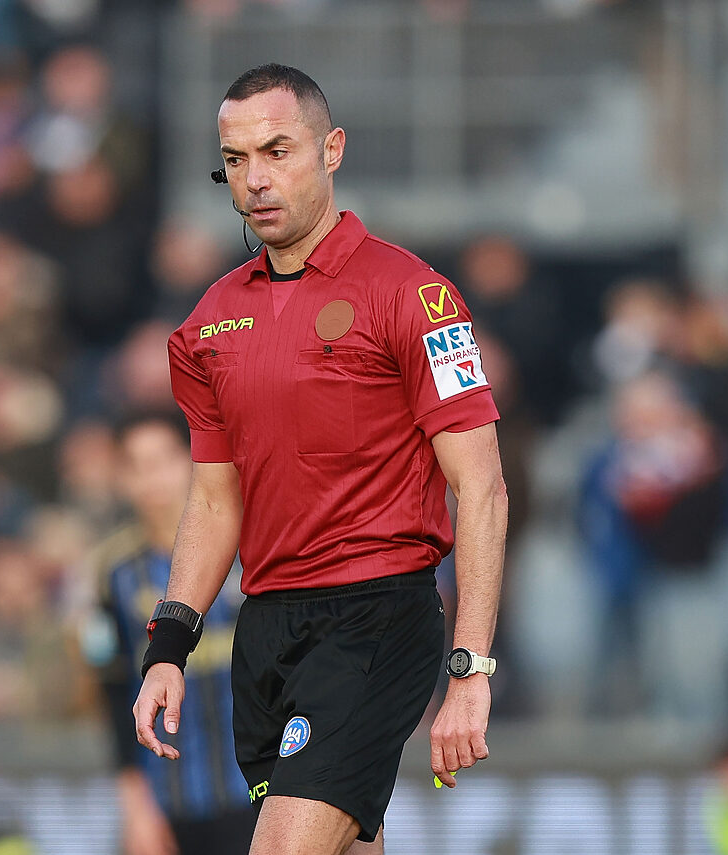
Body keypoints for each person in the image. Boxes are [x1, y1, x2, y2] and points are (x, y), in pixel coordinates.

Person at [133, 64, 507, 855]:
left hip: (374, 619)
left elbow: (481, 487)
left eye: (277, 151)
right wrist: (170, 642)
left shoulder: (416, 295)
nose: (256, 180)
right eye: (236, 161)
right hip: (265, 631)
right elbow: (212, 500)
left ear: (331, 149)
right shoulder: (210, 322)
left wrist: (471, 669)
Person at [85, 411, 254, 855]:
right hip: (169, 801)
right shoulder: (112, 572)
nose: (152, 478)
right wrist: (135, 804)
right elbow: (112, 686)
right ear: (120, 478)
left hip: (261, 787)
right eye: (136, 466)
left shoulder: (252, 547)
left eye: (163, 459)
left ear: (193, 459)